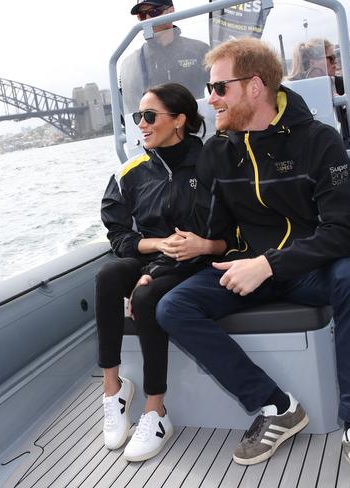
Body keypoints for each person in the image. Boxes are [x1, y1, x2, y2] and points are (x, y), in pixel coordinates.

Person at [156, 38, 350, 488]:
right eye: (210, 88)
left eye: (219, 88)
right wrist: (154, 274)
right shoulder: (218, 152)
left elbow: (344, 230)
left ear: (255, 87)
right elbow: (211, 234)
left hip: (308, 269)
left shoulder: (317, 141)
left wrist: (268, 265)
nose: (211, 98)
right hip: (247, 269)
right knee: (172, 307)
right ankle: (276, 407)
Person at [98, 82, 225, 462]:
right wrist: (155, 248)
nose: (142, 124)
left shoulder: (211, 164)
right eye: (138, 117)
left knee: (146, 295)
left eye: (150, 116)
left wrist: (154, 270)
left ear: (180, 120)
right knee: (108, 276)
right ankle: (113, 390)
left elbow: (223, 231)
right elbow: (119, 234)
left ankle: (156, 410)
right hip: (156, 250)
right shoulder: (131, 172)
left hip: (198, 257)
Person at [120, 0, 210, 113]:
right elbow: (133, 108)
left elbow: (219, 90)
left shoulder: (200, 50)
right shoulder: (132, 63)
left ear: (171, 11)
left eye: (154, 12)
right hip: (158, 128)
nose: (148, 19)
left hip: (197, 124)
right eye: (142, 15)